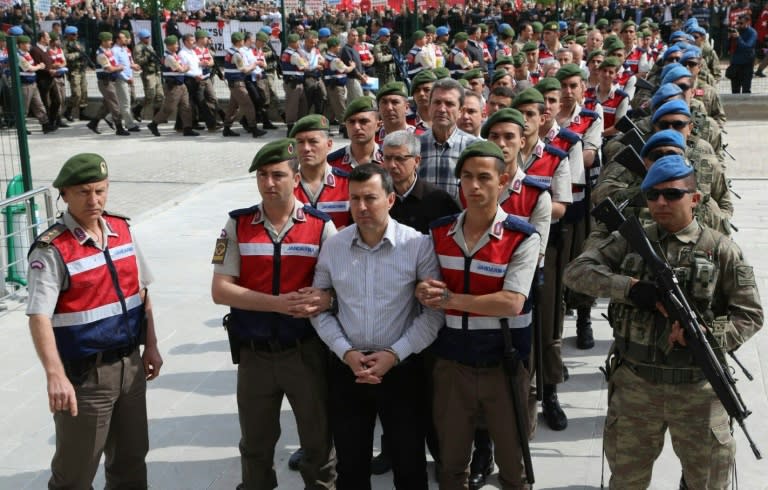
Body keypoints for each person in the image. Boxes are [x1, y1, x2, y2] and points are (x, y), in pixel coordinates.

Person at [564, 154, 763, 489]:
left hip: (698, 390)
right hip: (636, 387)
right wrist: (630, 288)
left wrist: (707, 334)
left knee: (708, 482)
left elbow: (751, 315)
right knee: (627, 482)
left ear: (695, 199)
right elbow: (576, 273)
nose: (660, 202)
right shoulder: (629, 241)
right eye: (652, 194)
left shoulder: (722, 250)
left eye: (672, 194)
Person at [26, 153, 163, 489]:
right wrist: (55, 375)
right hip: (86, 378)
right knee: (75, 474)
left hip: (130, 367)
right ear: (65, 194)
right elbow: (38, 316)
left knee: (131, 464)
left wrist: (153, 345)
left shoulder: (121, 229)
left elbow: (141, 292)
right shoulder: (51, 249)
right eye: (84, 192)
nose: (95, 200)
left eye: (100, 191)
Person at [211, 138, 337, 490]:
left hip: (306, 352)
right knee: (255, 444)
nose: (269, 183)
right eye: (263, 175)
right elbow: (220, 290)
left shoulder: (321, 226)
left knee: (317, 442)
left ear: (296, 179)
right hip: (255, 355)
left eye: (278, 175)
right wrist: (278, 303)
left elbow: (338, 287)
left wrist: (326, 300)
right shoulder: (237, 225)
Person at [311, 164, 444, 490]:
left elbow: (433, 314)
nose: (361, 207)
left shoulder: (417, 246)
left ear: (390, 200)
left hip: (402, 370)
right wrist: (345, 352)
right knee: (351, 467)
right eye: (354, 199)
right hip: (348, 370)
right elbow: (318, 309)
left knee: (409, 466)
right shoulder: (334, 247)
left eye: (370, 198)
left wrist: (394, 355)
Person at [418, 140, 541, 490]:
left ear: (502, 182)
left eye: (484, 178)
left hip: (504, 365)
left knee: (512, 467)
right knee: (451, 464)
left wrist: (451, 298)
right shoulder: (439, 231)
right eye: (467, 177)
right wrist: (423, 291)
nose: (473, 186)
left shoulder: (522, 237)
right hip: (451, 365)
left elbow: (511, 302)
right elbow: (426, 284)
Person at [418, 77, 479, 201]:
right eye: (437, 102)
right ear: (429, 107)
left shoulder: (474, 147)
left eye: (449, 104)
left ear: (460, 111)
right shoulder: (415, 145)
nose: (442, 109)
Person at [290, 115, 352, 229]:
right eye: (300, 142)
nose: (306, 148)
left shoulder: (348, 183)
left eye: (313, 141)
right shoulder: (286, 186)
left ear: (329, 145)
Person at [147, 36, 197, 137]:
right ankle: (154, 124)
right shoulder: (169, 57)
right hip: (173, 86)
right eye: (176, 44)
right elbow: (181, 69)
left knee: (186, 107)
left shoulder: (174, 55)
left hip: (181, 85)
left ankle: (187, 128)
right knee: (169, 108)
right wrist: (186, 67)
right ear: (169, 45)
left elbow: (183, 67)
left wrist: (185, 67)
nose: (177, 46)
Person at [88, 32, 129, 136]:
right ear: (104, 41)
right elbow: (109, 68)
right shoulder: (101, 54)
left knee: (107, 105)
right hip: (105, 82)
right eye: (109, 40)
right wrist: (119, 67)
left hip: (111, 81)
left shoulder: (108, 51)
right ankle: (119, 128)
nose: (111, 42)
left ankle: (93, 123)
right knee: (115, 105)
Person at [328, 96, 383, 173]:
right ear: (346, 125)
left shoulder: (390, 159)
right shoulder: (331, 163)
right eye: (351, 122)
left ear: (378, 125)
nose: (356, 127)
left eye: (363, 121)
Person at [17, 34, 55, 133]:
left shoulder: (27, 53)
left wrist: (37, 66)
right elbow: (29, 68)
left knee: (39, 105)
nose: (29, 45)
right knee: (24, 107)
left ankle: (45, 124)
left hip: (32, 83)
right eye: (27, 43)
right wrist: (40, 66)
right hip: (25, 84)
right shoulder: (18, 56)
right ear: (21, 45)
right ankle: (22, 127)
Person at [133, 30, 164, 122]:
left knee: (160, 96)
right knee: (150, 95)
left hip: (155, 72)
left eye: (149, 37)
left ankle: (157, 117)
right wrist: (147, 58)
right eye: (146, 37)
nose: (148, 39)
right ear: (141, 38)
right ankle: (137, 109)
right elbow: (137, 61)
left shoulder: (149, 46)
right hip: (148, 73)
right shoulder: (138, 48)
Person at [62, 26, 88, 121]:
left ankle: (82, 113)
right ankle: (68, 111)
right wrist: (78, 54)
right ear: (68, 35)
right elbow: (66, 57)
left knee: (84, 92)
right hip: (73, 71)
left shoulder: (77, 43)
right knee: (77, 93)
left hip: (81, 69)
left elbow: (83, 52)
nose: (76, 35)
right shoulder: (64, 45)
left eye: (76, 34)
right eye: (73, 34)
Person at [728, 14, 757, 94]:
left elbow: (748, 47)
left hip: (746, 64)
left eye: (741, 23)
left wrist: (738, 38)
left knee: (746, 90)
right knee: (735, 90)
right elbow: (728, 49)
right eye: (738, 23)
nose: (739, 25)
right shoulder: (736, 30)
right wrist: (729, 38)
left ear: (748, 22)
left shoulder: (752, 33)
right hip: (735, 63)